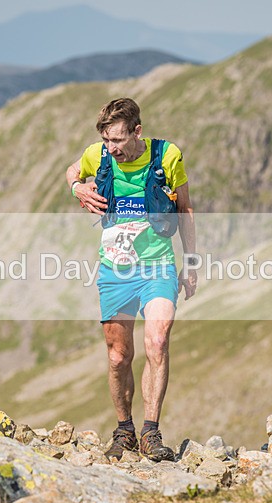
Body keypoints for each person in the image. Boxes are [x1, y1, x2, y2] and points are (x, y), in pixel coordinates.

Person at [65, 97, 197, 462]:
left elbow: (185, 208)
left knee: (157, 340)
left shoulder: (167, 156)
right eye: (107, 141)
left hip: (158, 267)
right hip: (115, 271)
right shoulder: (98, 156)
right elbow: (71, 171)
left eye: (119, 141)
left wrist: (191, 262)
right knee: (119, 356)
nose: (113, 149)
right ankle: (124, 430)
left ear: (137, 131)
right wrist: (77, 188)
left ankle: (151, 432)